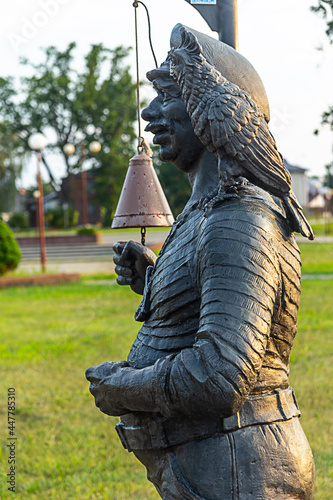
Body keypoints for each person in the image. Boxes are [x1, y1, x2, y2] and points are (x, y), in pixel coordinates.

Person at [86, 24, 315, 499]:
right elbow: (214, 293)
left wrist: (123, 386)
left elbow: (219, 375)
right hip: (214, 465)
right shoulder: (208, 210)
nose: (148, 115)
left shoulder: (238, 220)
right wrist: (156, 280)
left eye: (166, 96)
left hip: (240, 470)